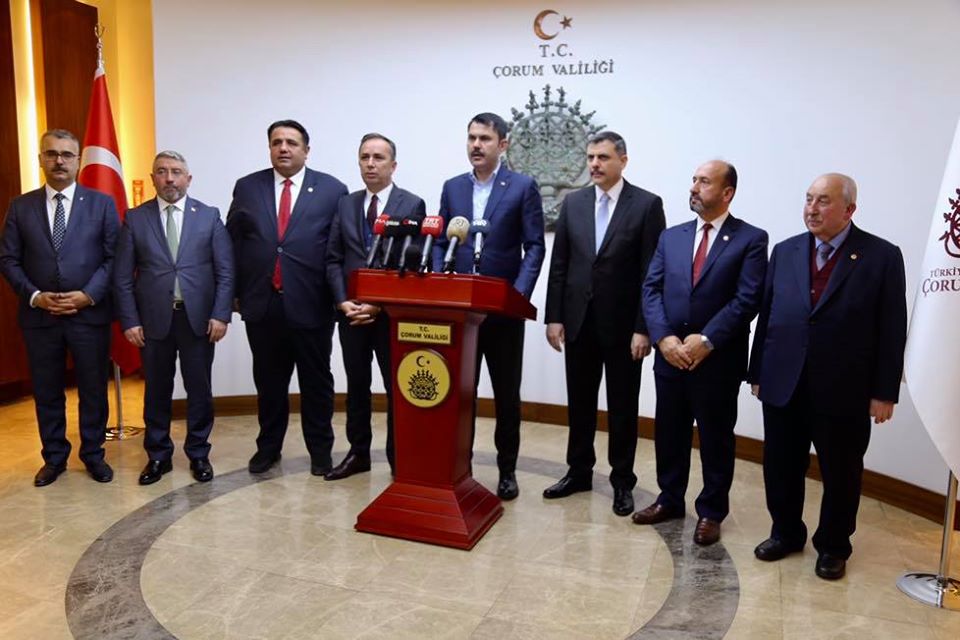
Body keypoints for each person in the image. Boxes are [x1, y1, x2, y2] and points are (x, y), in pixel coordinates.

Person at [748, 173, 906, 580]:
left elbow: (892, 328)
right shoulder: (785, 251)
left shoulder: (882, 256)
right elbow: (768, 316)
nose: (812, 209)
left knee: (841, 472)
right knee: (781, 466)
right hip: (784, 382)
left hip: (845, 388)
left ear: (849, 209)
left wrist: (885, 391)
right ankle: (785, 533)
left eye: (823, 201)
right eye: (808, 199)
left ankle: (834, 546)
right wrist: (757, 371)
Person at [635, 160, 767, 543]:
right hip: (670, 356)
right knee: (669, 432)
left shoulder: (751, 239)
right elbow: (651, 289)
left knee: (716, 438)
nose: (694, 187)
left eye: (704, 182)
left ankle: (711, 511)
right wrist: (663, 338)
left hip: (717, 361)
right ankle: (669, 499)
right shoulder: (671, 237)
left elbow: (747, 299)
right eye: (693, 180)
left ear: (727, 192)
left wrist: (706, 340)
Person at [542, 131, 665, 515]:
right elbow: (560, 264)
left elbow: (651, 273)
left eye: (603, 157)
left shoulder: (646, 205)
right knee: (579, 403)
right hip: (578, 322)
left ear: (623, 161)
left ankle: (622, 481)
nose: (594, 164)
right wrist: (554, 317)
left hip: (625, 329)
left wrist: (644, 327)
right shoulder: (574, 203)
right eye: (591, 157)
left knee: (623, 407)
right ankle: (578, 472)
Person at [432, 112, 545, 500]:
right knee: (460, 394)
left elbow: (535, 246)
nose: (476, 145)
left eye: (484, 138)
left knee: (505, 394)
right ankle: (458, 464)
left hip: (502, 312)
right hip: (459, 312)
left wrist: (518, 296)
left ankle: (507, 470)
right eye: (471, 138)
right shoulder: (452, 188)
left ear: (503, 145)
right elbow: (440, 241)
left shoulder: (522, 187)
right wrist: (439, 280)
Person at [226, 120, 348, 476]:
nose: (283, 148)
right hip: (263, 304)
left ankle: (320, 452)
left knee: (316, 382)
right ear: (269, 148)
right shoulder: (248, 187)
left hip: (312, 303)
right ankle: (268, 448)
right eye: (277, 142)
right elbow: (232, 243)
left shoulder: (332, 189)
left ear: (306, 150)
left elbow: (339, 248)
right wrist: (234, 294)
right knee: (269, 383)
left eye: (292, 143)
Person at [0, 129, 117, 486]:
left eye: (67, 154)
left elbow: (114, 257)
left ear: (78, 160)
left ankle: (93, 454)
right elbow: (8, 259)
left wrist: (88, 294)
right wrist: (35, 295)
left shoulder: (102, 204)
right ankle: (54, 458)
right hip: (40, 316)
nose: (59, 161)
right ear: (41, 160)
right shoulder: (20, 207)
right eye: (51, 154)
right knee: (47, 390)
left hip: (89, 314)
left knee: (93, 389)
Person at [114, 151, 234, 484]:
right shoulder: (135, 218)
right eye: (162, 171)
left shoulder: (208, 216)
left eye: (176, 172)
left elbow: (226, 271)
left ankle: (199, 453)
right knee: (156, 390)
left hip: (198, 321)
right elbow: (122, 277)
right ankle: (158, 456)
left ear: (188, 179)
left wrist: (221, 314)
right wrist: (129, 320)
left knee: (199, 390)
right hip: (152, 322)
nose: (169, 178)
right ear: (152, 178)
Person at [325, 133, 425, 479]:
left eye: (378, 158)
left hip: (390, 316)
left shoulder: (411, 204)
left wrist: (379, 305)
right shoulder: (346, 204)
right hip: (351, 314)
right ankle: (358, 454)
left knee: (395, 388)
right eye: (365, 157)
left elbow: (412, 265)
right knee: (356, 386)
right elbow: (333, 258)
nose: (370, 164)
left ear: (393, 165)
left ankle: (399, 457)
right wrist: (342, 301)